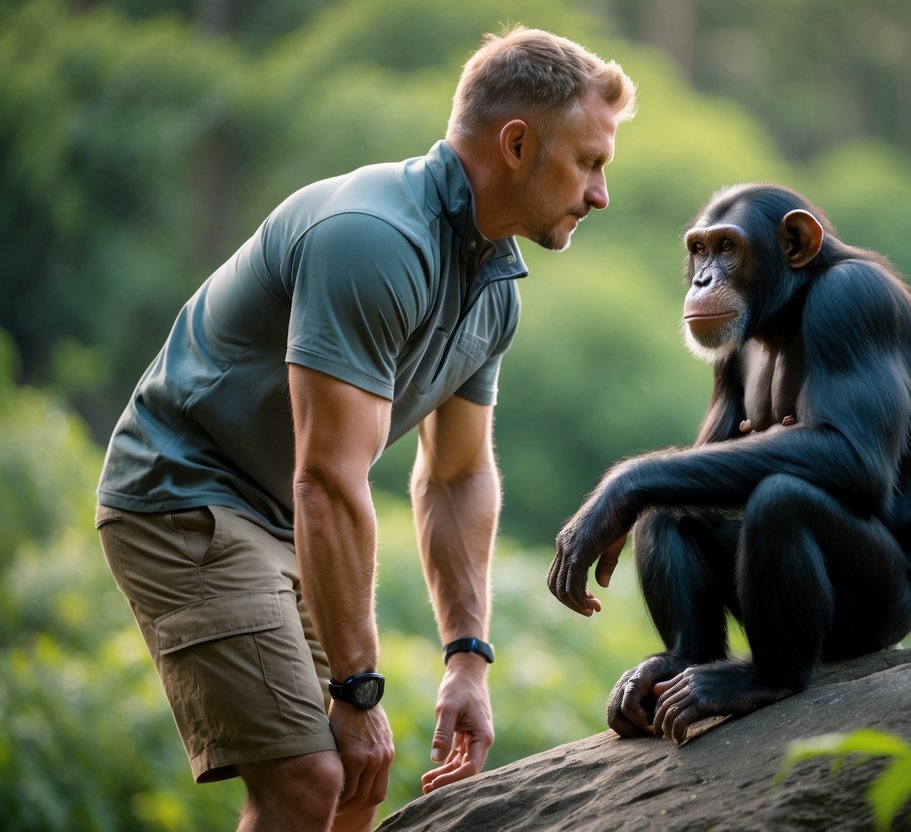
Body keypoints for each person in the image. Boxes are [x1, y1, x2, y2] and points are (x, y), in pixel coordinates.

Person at [94, 26, 636, 832]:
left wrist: (467, 658)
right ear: (517, 144)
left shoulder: (492, 286)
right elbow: (326, 479)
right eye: (588, 162)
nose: (599, 194)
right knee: (309, 775)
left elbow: (456, 475)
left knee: (355, 780)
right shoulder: (373, 238)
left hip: (284, 516)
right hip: (185, 496)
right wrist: (356, 689)